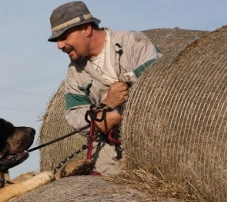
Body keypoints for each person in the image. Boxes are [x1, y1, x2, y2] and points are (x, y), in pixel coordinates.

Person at [48, 1, 162, 175]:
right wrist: (108, 104)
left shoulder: (133, 42)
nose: (59, 46)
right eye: (57, 40)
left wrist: (111, 115)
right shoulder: (74, 72)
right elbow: (75, 116)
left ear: (86, 29)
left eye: (64, 37)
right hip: (109, 153)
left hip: (155, 138)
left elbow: (158, 87)